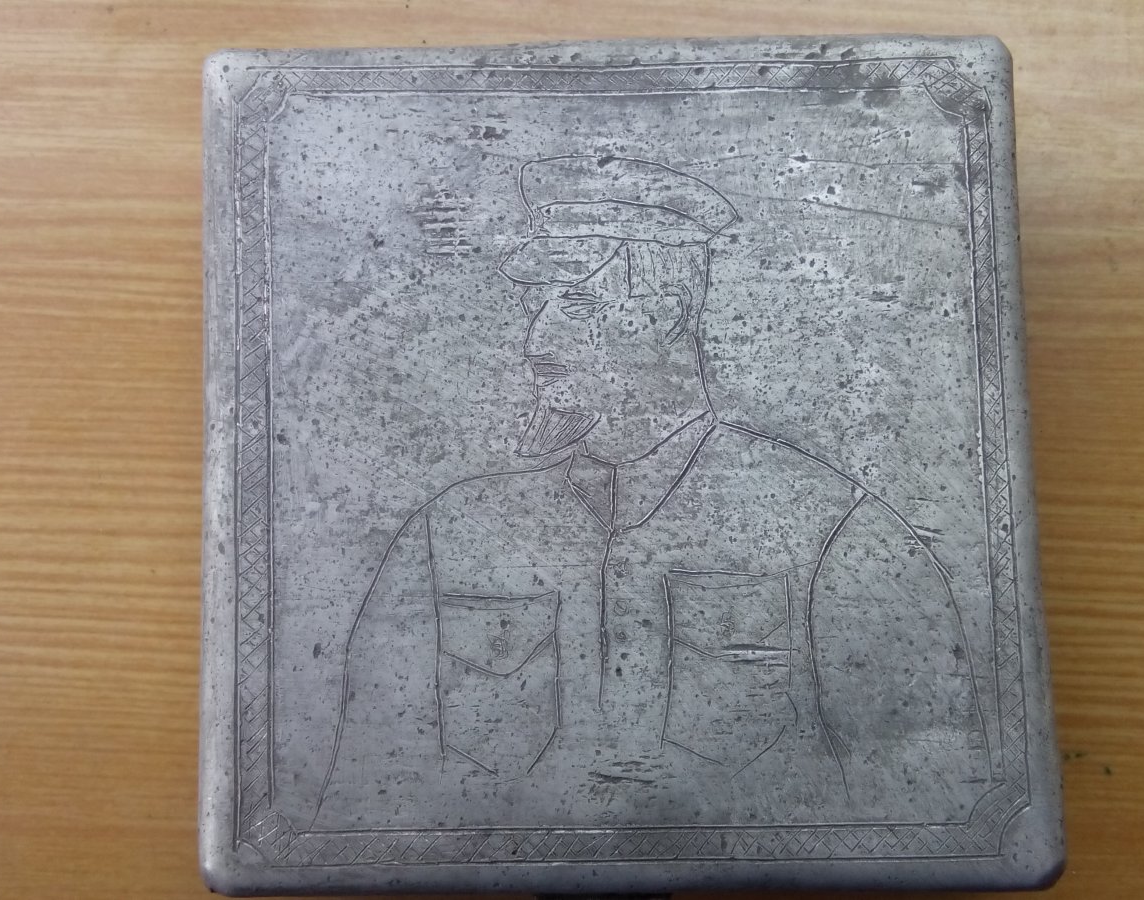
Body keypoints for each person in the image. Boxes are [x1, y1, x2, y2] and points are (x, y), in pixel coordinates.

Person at [313, 156, 991, 828]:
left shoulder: (837, 531)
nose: (536, 339)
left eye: (576, 302)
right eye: (533, 303)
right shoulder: (449, 533)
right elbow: (357, 819)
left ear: (666, 313)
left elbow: (934, 815)